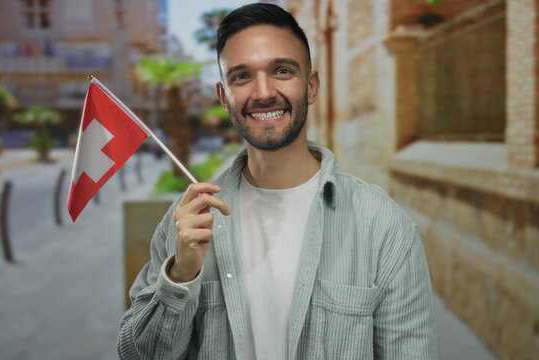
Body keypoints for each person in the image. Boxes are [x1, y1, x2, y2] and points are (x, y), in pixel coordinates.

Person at [117, 3, 438, 359]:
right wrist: (180, 275)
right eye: (241, 76)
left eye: (282, 70)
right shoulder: (186, 225)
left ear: (311, 87)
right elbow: (136, 354)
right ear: (224, 98)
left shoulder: (383, 226)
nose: (263, 92)